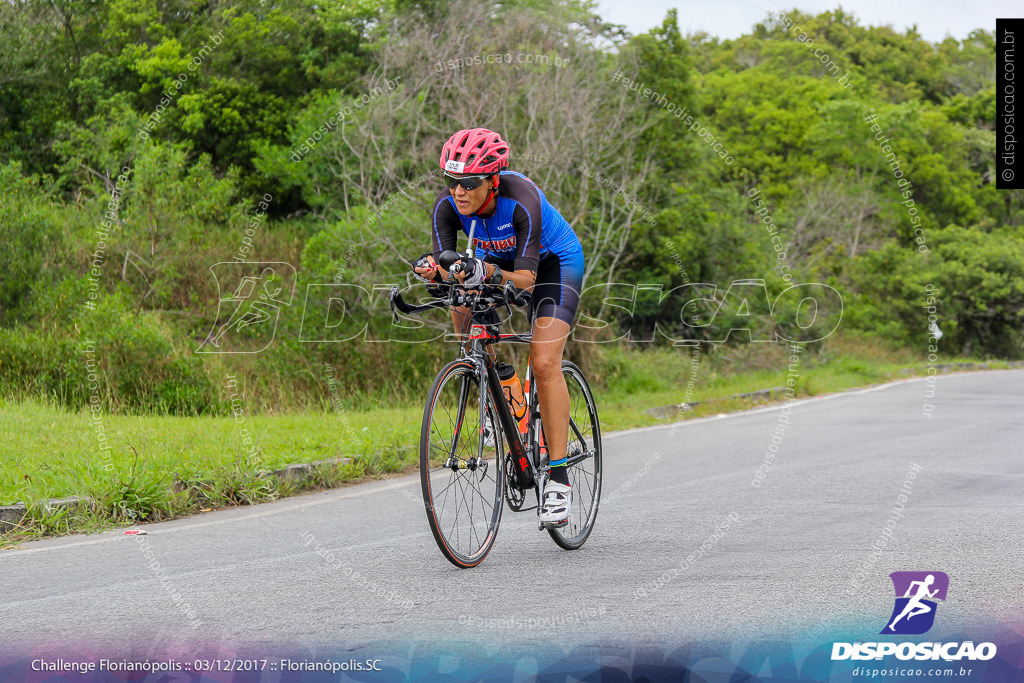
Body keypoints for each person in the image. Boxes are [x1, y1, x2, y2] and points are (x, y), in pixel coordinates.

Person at [413, 127, 585, 527]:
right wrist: (433, 270)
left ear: (492, 181)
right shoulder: (447, 206)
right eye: (452, 181)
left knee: (543, 364)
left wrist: (485, 269)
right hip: (493, 265)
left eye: (470, 183)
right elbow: (450, 267)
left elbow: (524, 279)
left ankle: (558, 480)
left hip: (551, 266)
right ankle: (498, 385)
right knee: (461, 304)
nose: (459, 192)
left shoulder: (521, 199)